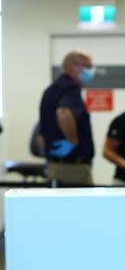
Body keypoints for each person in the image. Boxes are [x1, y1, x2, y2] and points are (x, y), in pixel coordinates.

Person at [39, 50, 95, 185]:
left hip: (55, 167)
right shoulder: (70, 88)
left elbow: (40, 137)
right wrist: (73, 141)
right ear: (72, 66)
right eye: (87, 67)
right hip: (73, 169)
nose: (91, 72)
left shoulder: (50, 90)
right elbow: (63, 113)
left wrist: (50, 156)